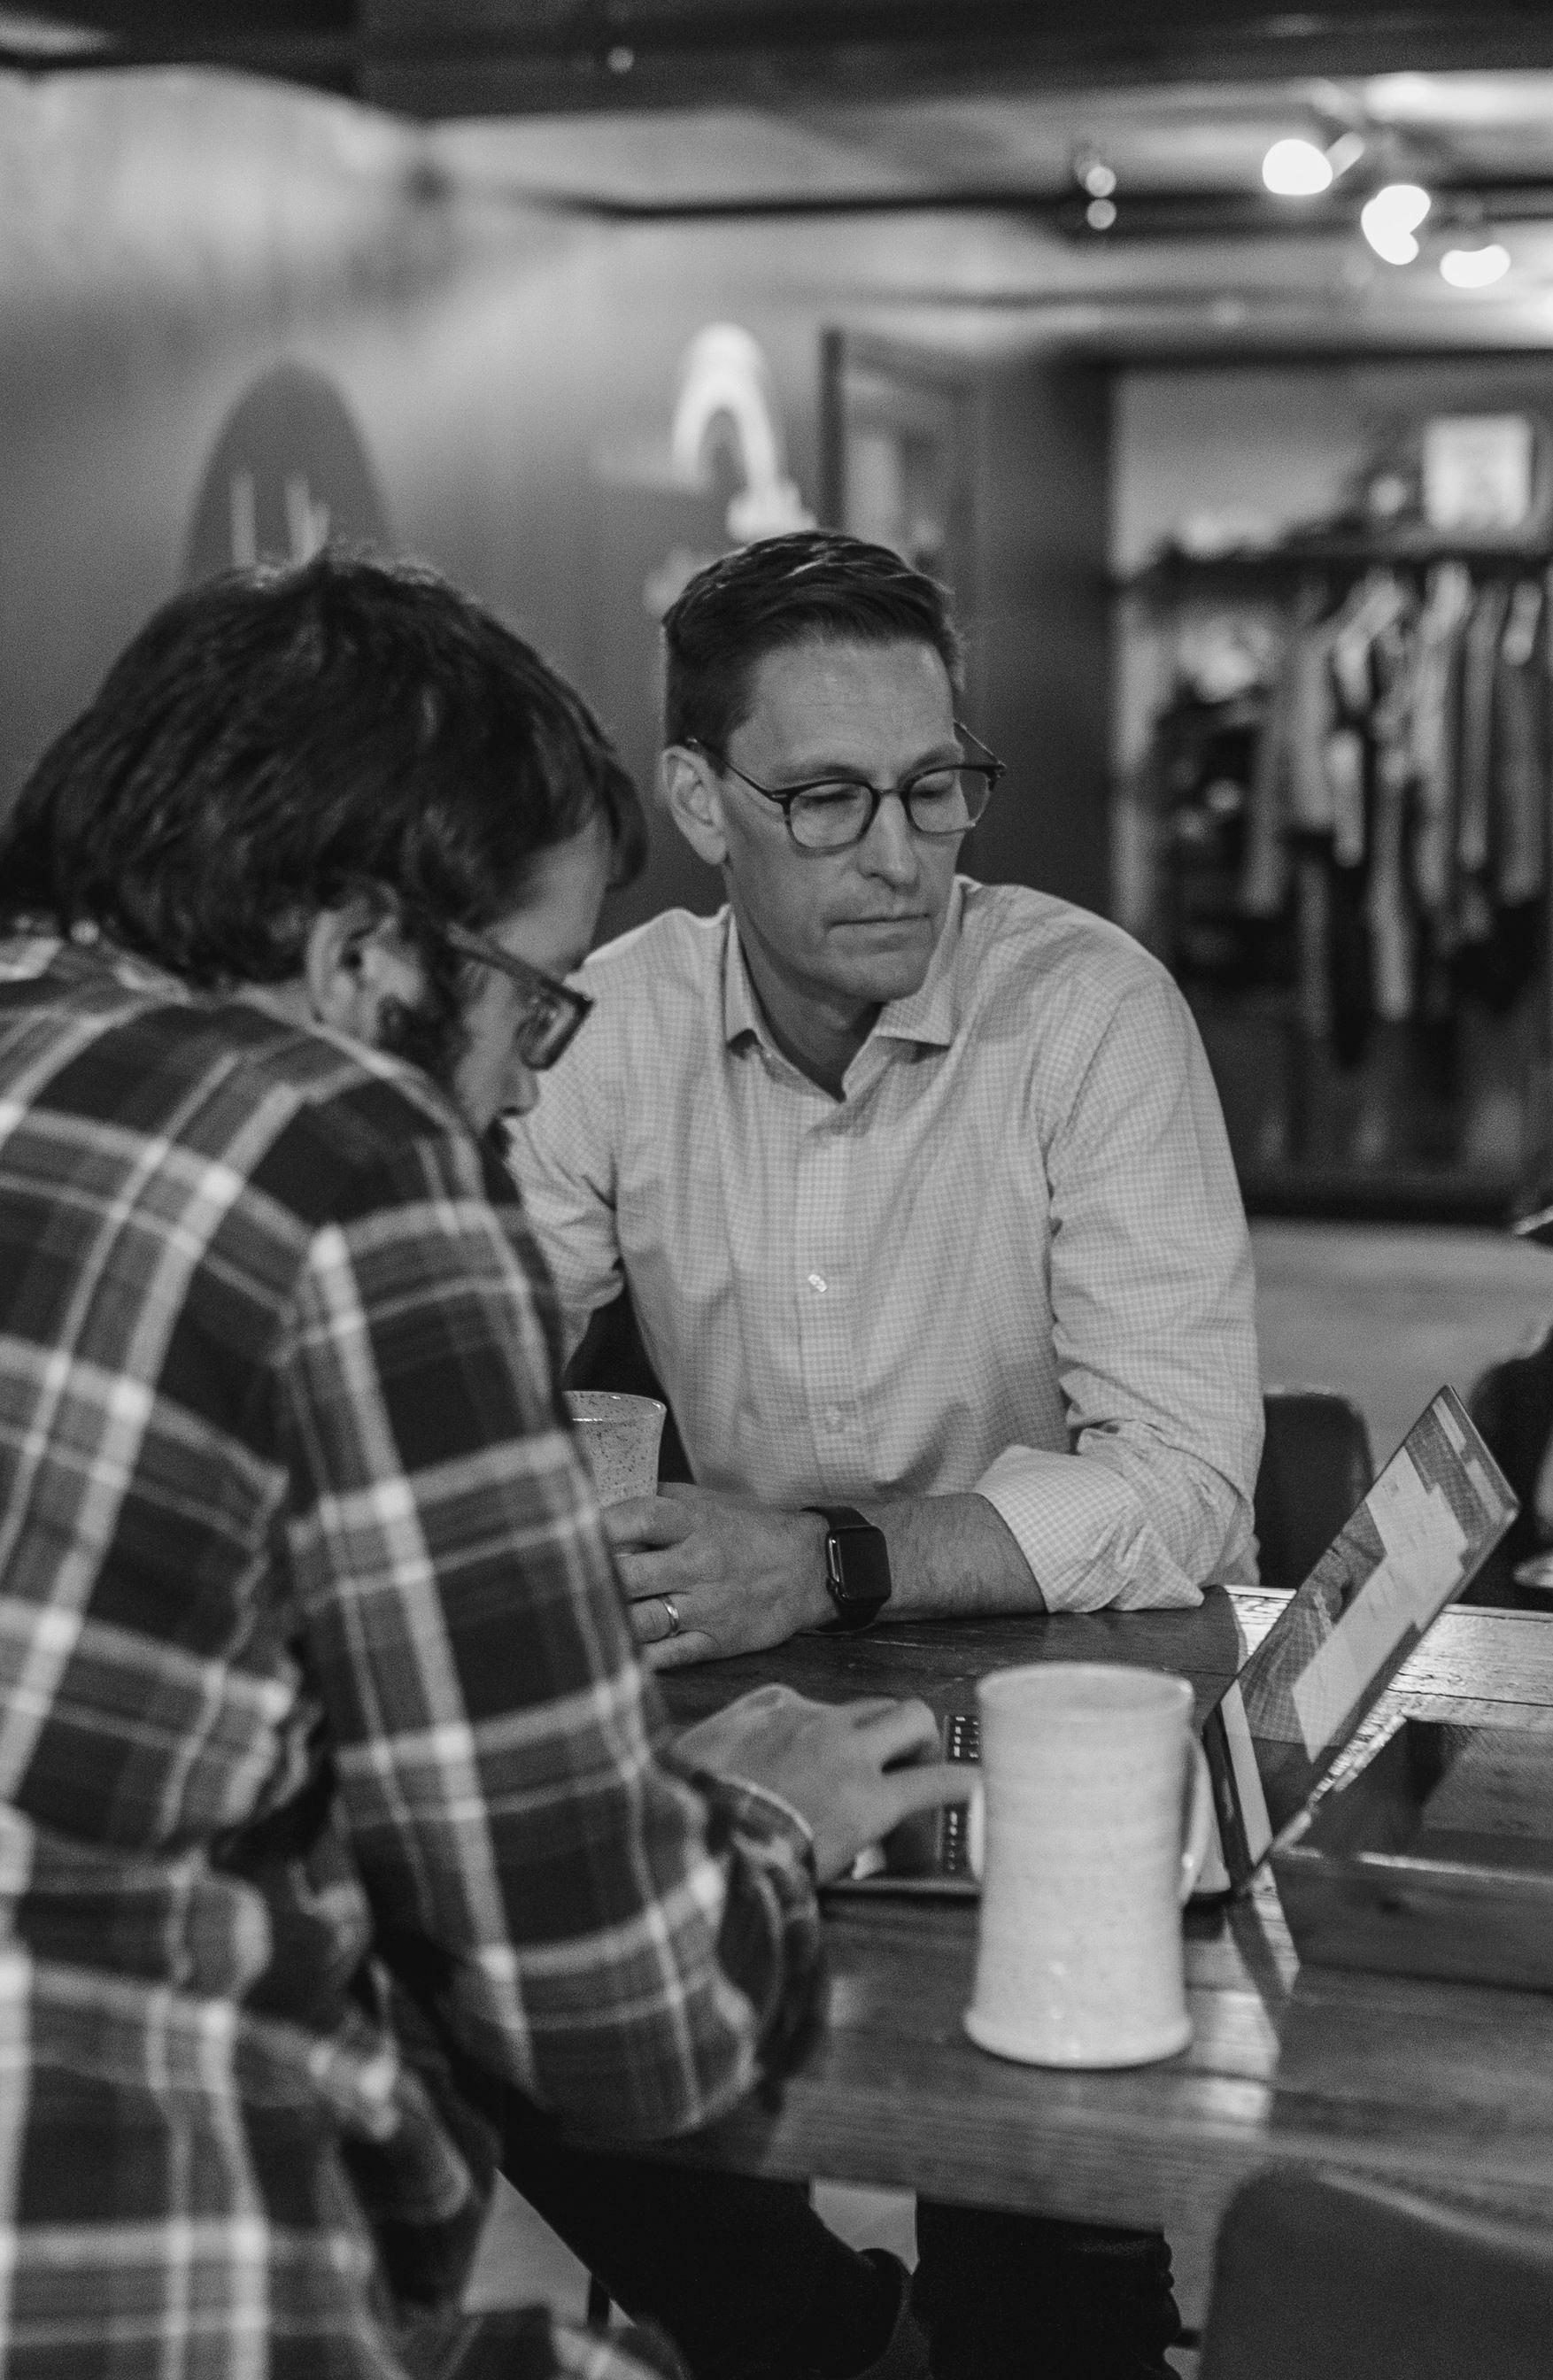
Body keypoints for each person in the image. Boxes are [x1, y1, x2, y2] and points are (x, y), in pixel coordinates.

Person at [0, 550, 967, 2380]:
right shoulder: (355, 1168)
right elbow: (627, 2017)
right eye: (534, 1001)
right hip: (151, 2269)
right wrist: (765, 1810)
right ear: (364, 957)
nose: (530, 1083)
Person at [506, 531, 1264, 2380]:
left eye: (936, 788)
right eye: (828, 796)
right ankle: (829, 2343)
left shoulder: (1084, 1009)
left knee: (1041, 2220)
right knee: (531, 2012)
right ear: (701, 799)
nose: (901, 849)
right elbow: (463, 1345)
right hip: (735, 1688)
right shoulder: (613, 1021)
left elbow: (1183, 1484)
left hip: (1056, 1694)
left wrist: (833, 1554)